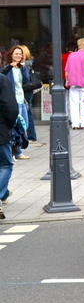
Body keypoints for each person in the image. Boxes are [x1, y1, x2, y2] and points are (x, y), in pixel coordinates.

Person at [2, 45, 31, 160]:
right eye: (16, 53)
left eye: (20, 54)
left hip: (21, 100)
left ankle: (15, 149)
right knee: (16, 126)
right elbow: (3, 77)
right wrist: (9, 67)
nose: (18, 56)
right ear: (11, 55)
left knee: (24, 125)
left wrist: (23, 65)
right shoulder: (8, 68)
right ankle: (16, 152)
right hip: (13, 101)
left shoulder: (20, 68)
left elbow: (26, 80)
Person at [0, 73, 19, 220]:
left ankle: (5, 192)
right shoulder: (2, 79)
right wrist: (10, 124)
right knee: (5, 164)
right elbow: (10, 107)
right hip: (0, 130)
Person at [65, 38, 84, 129]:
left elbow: (67, 71)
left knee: (74, 104)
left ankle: (75, 123)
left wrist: (67, 80)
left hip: (73, 82)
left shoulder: (71, 55)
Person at [19, 45, 38, 142]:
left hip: (25, 90)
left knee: (27, 112)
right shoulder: (29, 63)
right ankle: (31, 135)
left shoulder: (25, 64)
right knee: (28, 112)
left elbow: (25, 79)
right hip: (28, 90)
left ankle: (31, 136)